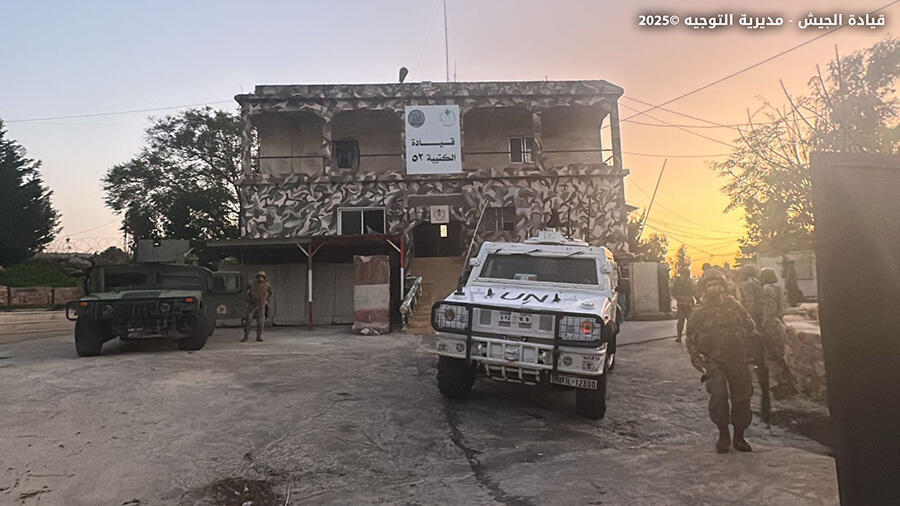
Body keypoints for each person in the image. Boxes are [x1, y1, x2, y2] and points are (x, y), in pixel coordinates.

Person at [686, 270, 759, 453]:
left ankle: (739, 436)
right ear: (704, 288)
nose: (713, 288)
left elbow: (750, 327)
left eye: (716, 284)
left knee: (742, 397)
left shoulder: (734, 306)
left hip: (737, 358)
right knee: (718, 396)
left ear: (723, 287)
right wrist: (697, 358)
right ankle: (723, 433)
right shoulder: (699, 312)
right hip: (713, 361)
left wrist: (750, 348)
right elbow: (691, 338)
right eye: (709, 285)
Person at [759, 268, 797, 396]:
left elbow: (769, 309)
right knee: (780, 355)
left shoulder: (766, 289)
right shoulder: (778, 287)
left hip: (771, 324)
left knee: (773, 356)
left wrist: (764, 324)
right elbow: (782, 307)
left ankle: (784, 384)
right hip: (779, 322)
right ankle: (788, 383)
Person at [242, 271, 273, 343]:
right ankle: (245, 337)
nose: (260, 278)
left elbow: (270, 292)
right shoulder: (252, 284)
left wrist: (266, 299)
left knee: (260, 323)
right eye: (259, 276)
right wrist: (247, 299)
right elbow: (245, 290)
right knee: (248, 321)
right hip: (252, 305)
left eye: (262, 276)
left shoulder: (267, 285)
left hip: (261, 305)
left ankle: (259, 337)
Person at [671, 268, 696, 343]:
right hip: (688, 302)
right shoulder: (691, 281)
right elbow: (695, 291)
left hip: (682, 302)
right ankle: (689, 337)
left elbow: (672, 291)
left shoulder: (677, 281)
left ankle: (679, 337)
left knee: (682, 320)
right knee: (689, 320)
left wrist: (677, 297)